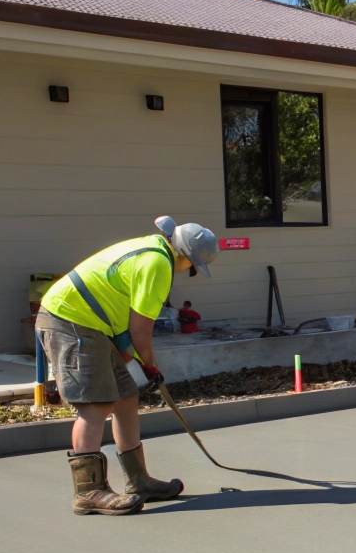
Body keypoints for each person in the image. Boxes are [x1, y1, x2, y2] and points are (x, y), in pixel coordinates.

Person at [37, 216, 219, 515]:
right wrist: (150, 364)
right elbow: (140, 330)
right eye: (193, 267)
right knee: (96, 403)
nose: (189, 271)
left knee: (126, 395)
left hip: (96, 325)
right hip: (71, 320)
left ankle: (139, 481)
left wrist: (129, 356)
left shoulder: (151, 248)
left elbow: (121, 316)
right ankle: (89, 492)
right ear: (186, 256)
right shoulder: (158, 264)